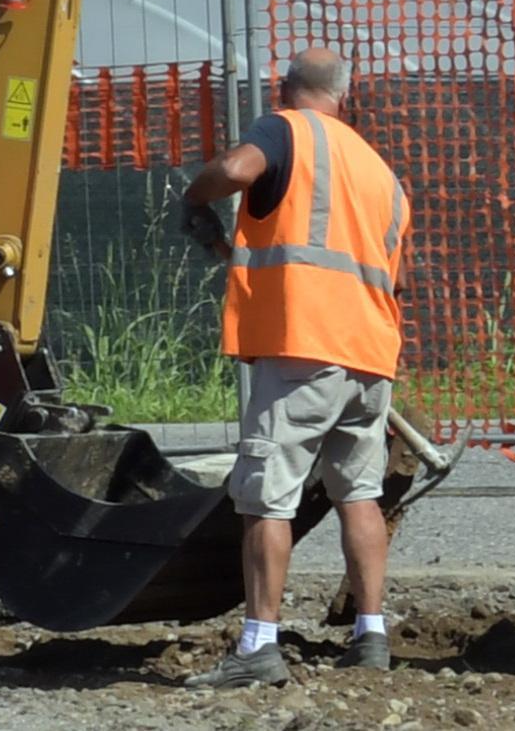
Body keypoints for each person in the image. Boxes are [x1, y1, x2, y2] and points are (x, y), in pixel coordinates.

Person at [180, 47, 410, 688]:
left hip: (303, 346)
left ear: (285, 89)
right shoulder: (380, 172)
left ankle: (257, 644)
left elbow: (233, 168)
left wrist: (193, 198)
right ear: (346, 94)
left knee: (265, 497)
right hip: (369, 356)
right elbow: (398, 276)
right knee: (359, 494)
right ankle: (371, 634)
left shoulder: (284, 128)